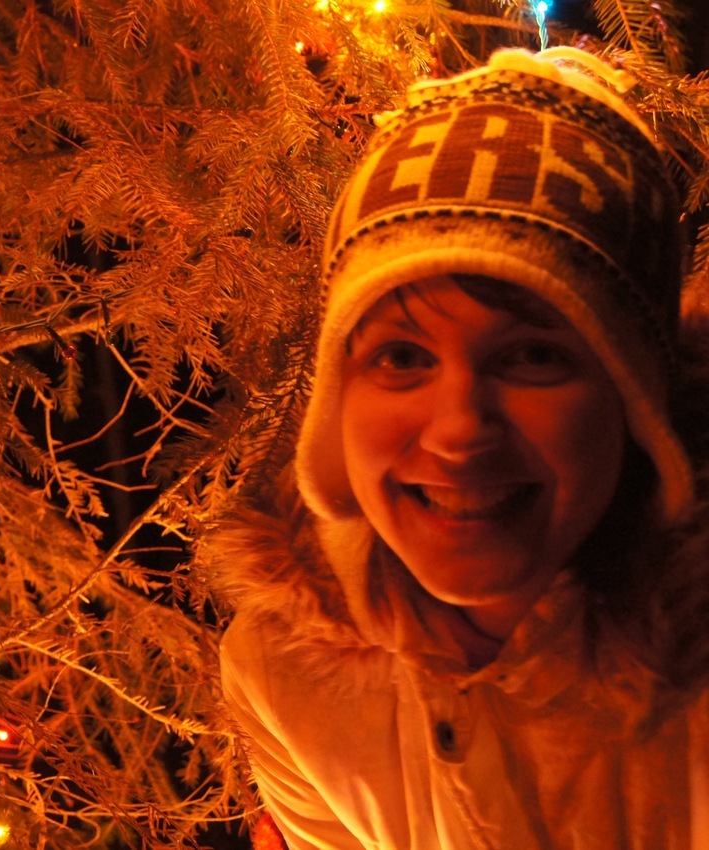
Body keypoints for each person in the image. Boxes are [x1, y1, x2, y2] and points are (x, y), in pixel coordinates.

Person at [214, 46, 709, 849]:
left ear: (635, 400)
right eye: (402, 357)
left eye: (532, 356)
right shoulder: (285, 671)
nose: (457, 431)